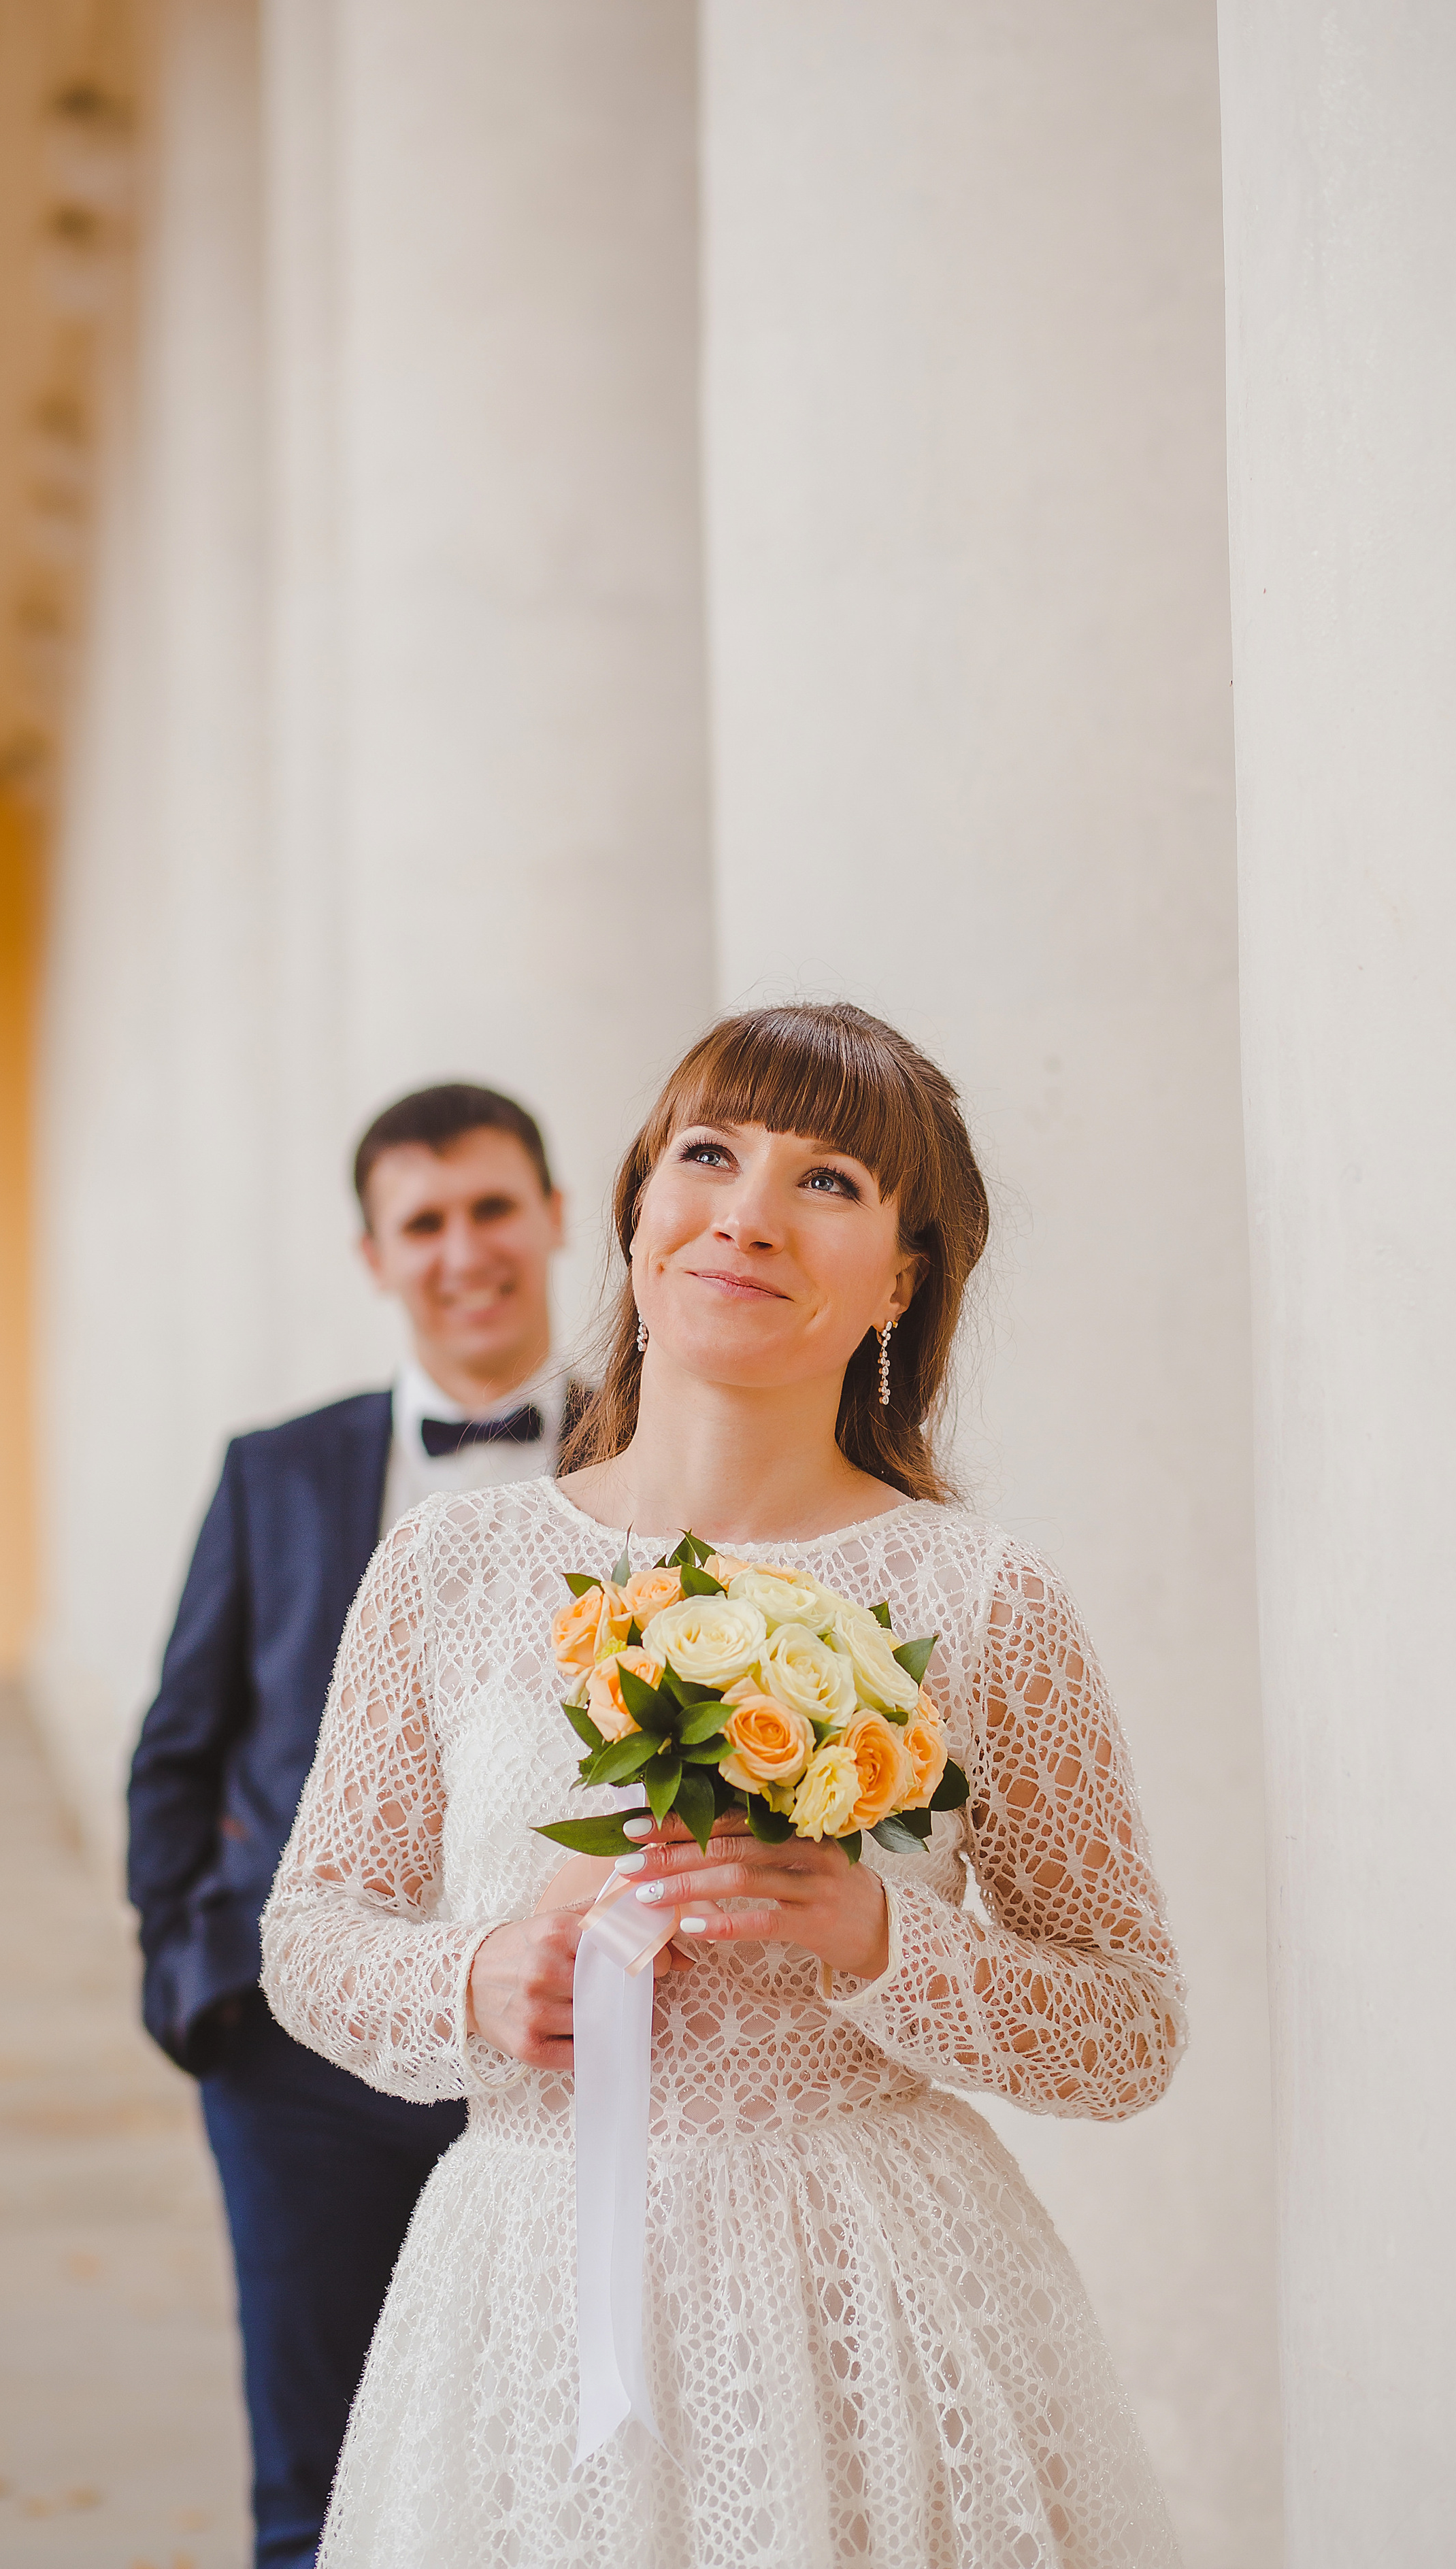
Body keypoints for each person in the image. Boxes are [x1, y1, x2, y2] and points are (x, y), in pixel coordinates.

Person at [261, 1004, 1188, 2569]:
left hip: (874, 2311)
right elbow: (312, 1934)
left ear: (898, 1277)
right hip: (530, 2300)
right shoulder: (448, 1568)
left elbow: (1127, 2028)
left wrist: (879, 1941)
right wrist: (478, 1976)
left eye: (827, 1180)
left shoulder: (978, 1598)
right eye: (708, 1155)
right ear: (634, 1212)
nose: (746, 1214)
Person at [127, 1081, 584, 2569]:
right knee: (317, 2488)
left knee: (569, 2469)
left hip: (579, 2054)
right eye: (425, 1222)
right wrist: (203, 1986)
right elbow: (177, 1749)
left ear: (557, 1218)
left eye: (492, 1208)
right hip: (303, 2053)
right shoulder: (277, 1472)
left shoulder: (663, 1460)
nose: (465, 1251)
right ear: (375, 1256)